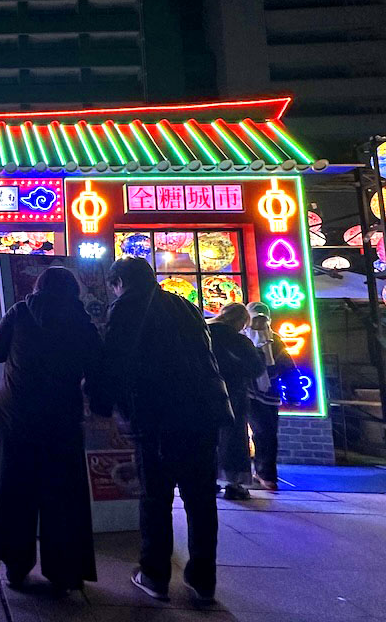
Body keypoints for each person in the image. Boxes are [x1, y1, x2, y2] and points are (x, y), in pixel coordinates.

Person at [100, 257, 233, 605]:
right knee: (201, 500)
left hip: (159, 415)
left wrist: (102, 405)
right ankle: (203, 580)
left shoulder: (127, 306)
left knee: (155, 497)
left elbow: (115, 361)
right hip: (204, 413)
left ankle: (155, 575)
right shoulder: (185, 306)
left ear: (119, 283)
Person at [0, 266, 105, 595]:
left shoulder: (20, 313)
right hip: (62, 421)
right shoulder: (81, 321)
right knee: (62, 498)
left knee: (14, 493)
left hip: (15, 418)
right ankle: (63, 571)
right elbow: (96, 367)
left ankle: (15, 567)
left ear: (38, 287)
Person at [208, 303, 265, 501]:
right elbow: (256, 368)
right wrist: (261, 354)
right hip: (234, 394)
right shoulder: (240, 341)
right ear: (241, 321)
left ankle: (208, 480)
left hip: (206, 393)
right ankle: (234, 484)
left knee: (208, 438)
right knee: (234, 439)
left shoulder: (204, 333)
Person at [245, 301, 295, 491]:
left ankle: (265, 473)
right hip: (245, 392)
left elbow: (288, 367)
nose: (258, 324)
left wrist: (293, 392)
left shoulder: (275, 342)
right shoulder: (241, 338)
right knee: (241, 434)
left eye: (262, 320)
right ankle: (238, 474)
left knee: (266, 434)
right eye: (255, 320)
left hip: (267, 395)